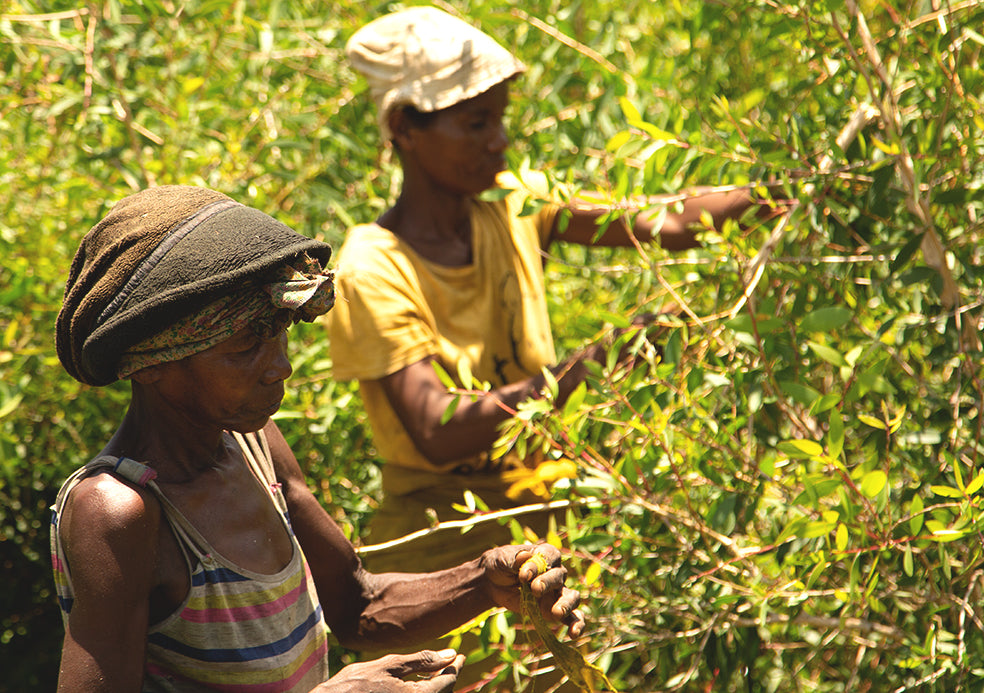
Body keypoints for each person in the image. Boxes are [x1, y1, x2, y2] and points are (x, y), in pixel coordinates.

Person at [49, 185, 584, 693]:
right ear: (150, 363)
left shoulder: (254, 444)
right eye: (242, 347)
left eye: (279, 331)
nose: (279, 366)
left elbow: (357, 604)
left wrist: (485, 582)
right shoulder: (118, 513)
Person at [327, 5, 784, 573]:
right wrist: (591, 364)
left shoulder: (514, 201)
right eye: (475, 124)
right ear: (404, 129)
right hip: (443, 546)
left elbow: (666, 222)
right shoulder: (372, 267)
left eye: (499, 119)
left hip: (549, 526)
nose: (500, 143)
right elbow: (437, 431)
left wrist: (783, 190)